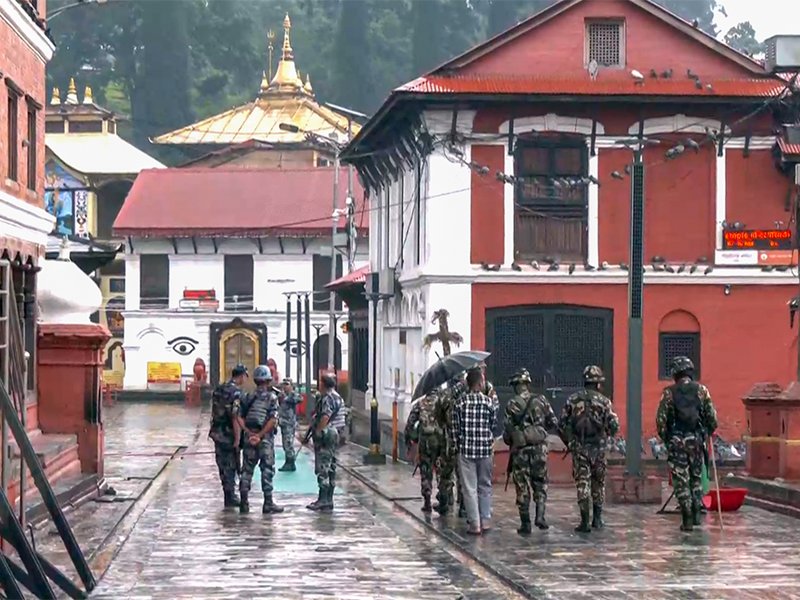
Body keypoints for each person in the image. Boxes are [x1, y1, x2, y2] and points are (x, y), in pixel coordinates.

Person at [656, 356, 718, 531]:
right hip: (696, 441)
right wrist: (707, 431)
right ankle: (697, 513)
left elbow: (661, 421)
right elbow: (711, 418)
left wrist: (668, 439)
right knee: (696, 478)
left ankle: (687, 519)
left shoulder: (669, 393)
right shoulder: (702, 391)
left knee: (681, 480)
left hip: (677, 441)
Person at [559, 365, 619, 533]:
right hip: (599, 448)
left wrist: (570, 442)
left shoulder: (573, 400)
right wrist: (607, 436)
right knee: (598, 483)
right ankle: (597, 519)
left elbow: (562, 424)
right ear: (598, 384)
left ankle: (584, 521)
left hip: (579, 447)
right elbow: (614, 425)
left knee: (582, 483)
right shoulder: (605, 401)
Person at [504, 369, 558, 534]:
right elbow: (553, 422)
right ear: (527, 383)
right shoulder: (541, 400)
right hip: (539, 449)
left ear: (516, 386)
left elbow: (507, 432)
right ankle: (540, 516)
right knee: (540, 483)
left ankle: (525, 523)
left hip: (520, 451)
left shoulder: (512, 404)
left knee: (522, 487)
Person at [454, 367, 497, 535]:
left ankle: (475, 524)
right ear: (480, 383)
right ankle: (485, 519)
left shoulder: (460, 403)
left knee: (469, 487)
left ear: (467, 384)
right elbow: (493, 424)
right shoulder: (489, 403)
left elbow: (455, 428)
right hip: (485, 449)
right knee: (485, 485)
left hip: (466, 450)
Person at [237, 365, 283, 515]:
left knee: (247, 470)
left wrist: (249, 433)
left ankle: (244, 502)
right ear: (268, 380)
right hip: (264, 440)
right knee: (267, 469)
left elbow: (238, 416)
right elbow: (273, 420)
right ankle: (268, 503)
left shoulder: (246, 396)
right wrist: (260, 435)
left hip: (249, 438)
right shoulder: (272, 398)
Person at [304, 374, 345, 512]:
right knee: (332, 465)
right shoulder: (338, 397)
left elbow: (325, 416)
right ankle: (329, 499)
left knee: (323, 466)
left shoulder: (327, 398)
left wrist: (319, 431)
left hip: (328, 434)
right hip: (337, 434)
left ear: (323, 384)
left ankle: (323, 500)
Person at [208, 364, 246, 508]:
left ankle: (227, 494)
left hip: (217, 432)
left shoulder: (220, 388)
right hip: (229, 434)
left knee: (222, 464)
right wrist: (237, 439)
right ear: (241, 376)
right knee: (231, 464)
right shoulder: (236, 393)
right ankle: (230, 496)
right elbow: (235, 416)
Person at [404, 389, 446, 513]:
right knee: (441, 470)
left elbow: (410, 422)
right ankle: (444, 498)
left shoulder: (420, 403)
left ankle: (427, 500)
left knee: (426, 470)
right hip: (440, 440)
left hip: (426, 441)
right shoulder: (443, 403)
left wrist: (410, 439)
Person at [434, 372, 467, 516]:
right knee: (464, 474)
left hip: (448, 439)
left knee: (445, 474)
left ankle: (444, 503)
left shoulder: (444, 396)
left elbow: (438, 418)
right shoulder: (468, 395)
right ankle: (464, 507)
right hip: (465, 439)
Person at [278, 378, 302, 472]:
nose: (285, 386)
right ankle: (288, 462)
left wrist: (289, 396)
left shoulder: (292, 395)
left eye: (287, 384)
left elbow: (300, 399)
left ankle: (290, 463)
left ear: (291, 386)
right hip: (283, 422)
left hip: (289, 423)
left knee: (288, 443)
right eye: (284, 384)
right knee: (285, 443)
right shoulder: (281, 394)